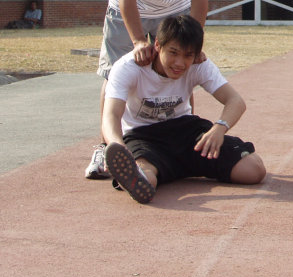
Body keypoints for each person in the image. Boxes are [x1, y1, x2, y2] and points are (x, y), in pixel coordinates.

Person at [85, 0, 211, 180]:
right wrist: (139, 40)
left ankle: (183, 135)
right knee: (113, 75)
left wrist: (194, 43)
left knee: (180, 70)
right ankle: (106, 149)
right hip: (127, 8)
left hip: (175, 7)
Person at [101, 15, 266, 204]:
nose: (180, 63)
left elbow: (236, 101)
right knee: (146, 178)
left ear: (196, 54)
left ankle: (178, 167)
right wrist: (116, 145)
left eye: (188, 55)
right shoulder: (129, 67)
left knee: (254, 170)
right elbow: (111, 115)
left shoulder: (198, 65)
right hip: (143, 137)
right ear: (157, 46)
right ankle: (137, 173)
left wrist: (220, 128)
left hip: (187, 133)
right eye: (173, 52)